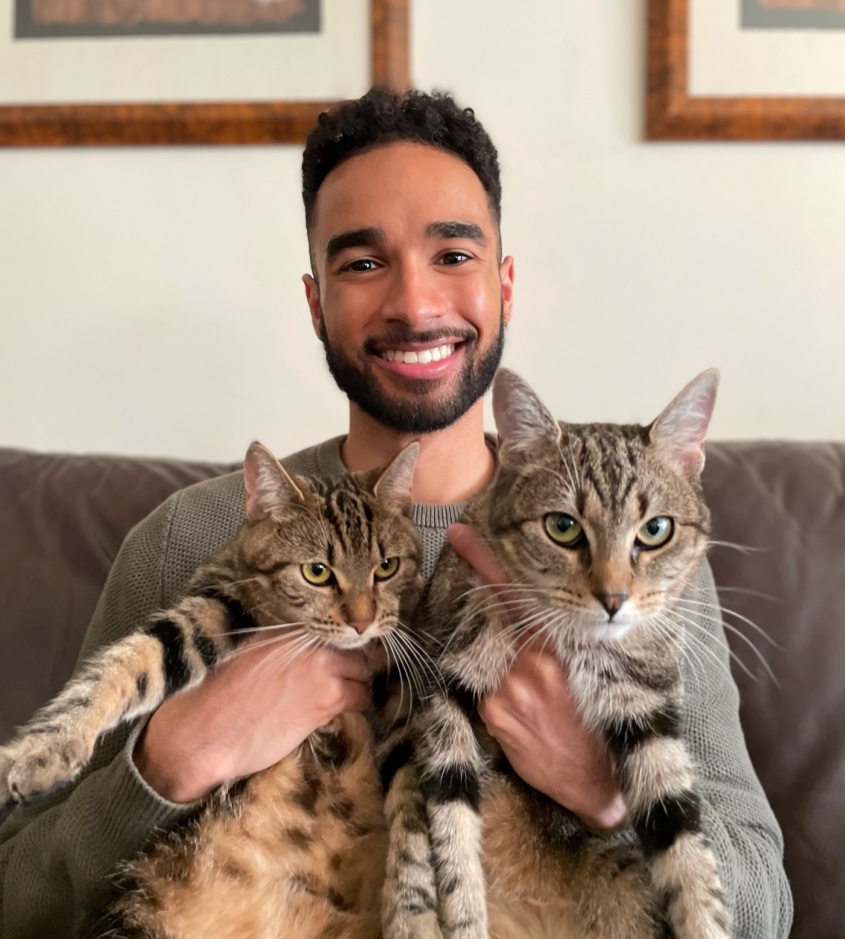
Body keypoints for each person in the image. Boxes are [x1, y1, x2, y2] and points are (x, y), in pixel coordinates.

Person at [0, 88, 792, 938]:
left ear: (505, 284)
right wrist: (169, 763)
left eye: (452, 254)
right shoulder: (186, 538)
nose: (415, 304)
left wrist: (606, 795)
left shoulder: (642, 556)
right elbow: (19, 897)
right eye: (363, 263)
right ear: (315, 302)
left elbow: (764, 906)